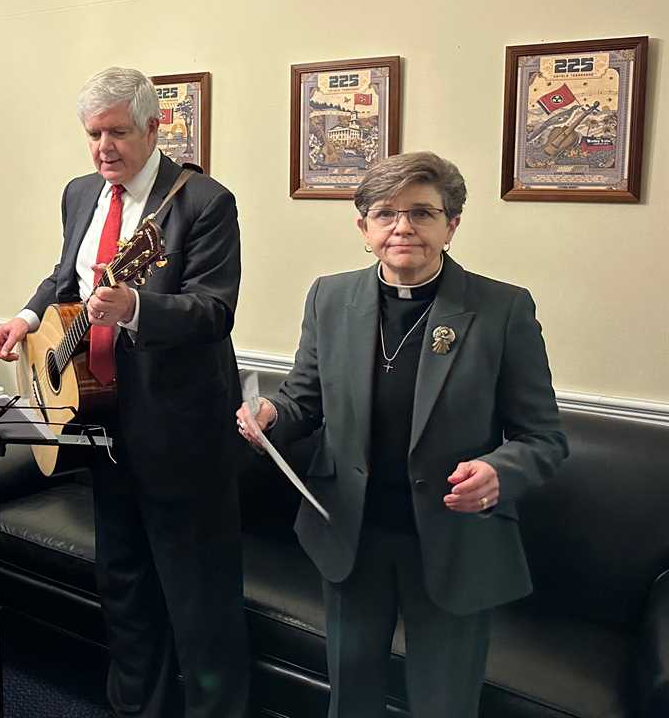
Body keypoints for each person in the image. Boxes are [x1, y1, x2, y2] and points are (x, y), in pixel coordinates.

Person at [236, 151, 568, 718]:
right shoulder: (330, 298)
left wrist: (498, 474)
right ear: (363, 227)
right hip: (350, 533)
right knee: (352, 696)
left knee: (445, 703)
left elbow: (543, 438)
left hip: (453, 539)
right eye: (386, 214)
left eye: (422, 213)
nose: (403, 228)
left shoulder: (501, 309)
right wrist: (270, 413)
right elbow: (305, 401)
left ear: (452, 225)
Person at [0, 67, 250, 718]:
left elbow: (215, 312)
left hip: (181, 435)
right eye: (92, 134)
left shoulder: (204, 202)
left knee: (197, 600)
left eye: (118, 132)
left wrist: (135, 306)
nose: (104, 147)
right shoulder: (81, 193)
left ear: (156, 128)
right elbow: (65, 277)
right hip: (99, 424)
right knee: (125, 588)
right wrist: (27, 316)